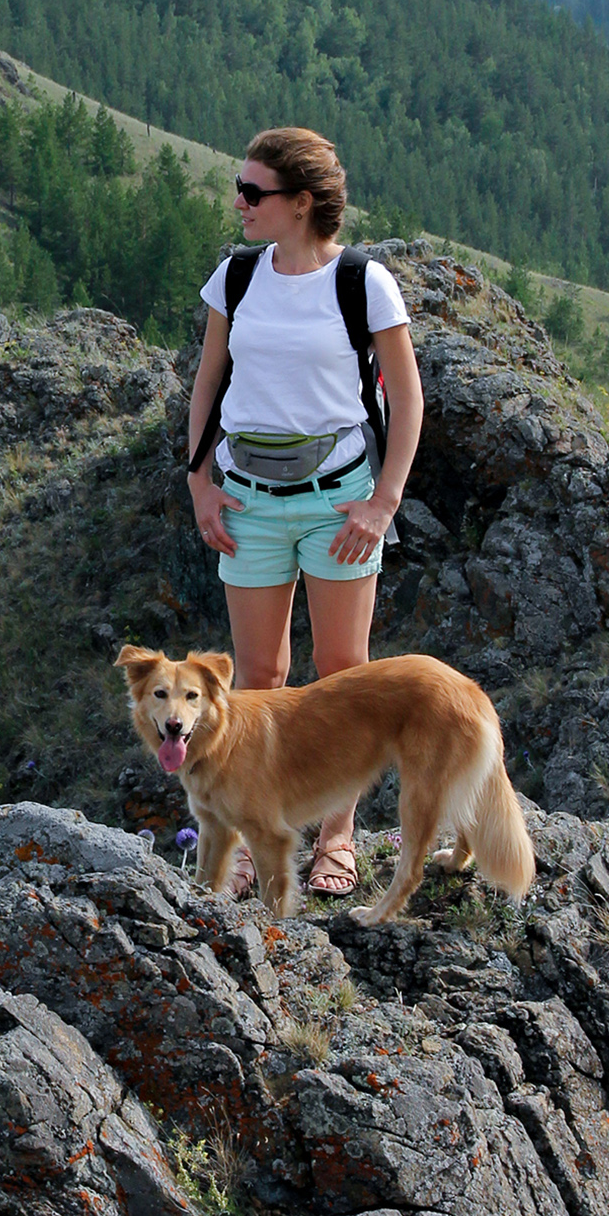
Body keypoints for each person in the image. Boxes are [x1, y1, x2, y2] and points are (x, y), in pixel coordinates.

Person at [186, 128, 423, 896]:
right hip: (247, 498)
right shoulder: (235, 277)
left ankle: (339, 840)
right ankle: (259, 830)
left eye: (254, 192)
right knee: (256, 678)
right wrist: (200, 482)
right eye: (240, 187)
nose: (240, 203)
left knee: (342, 677)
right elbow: (207, 383)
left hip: (337, 503)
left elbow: (408, 398)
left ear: (302, 203)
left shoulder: (364, 284)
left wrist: (381, 505)